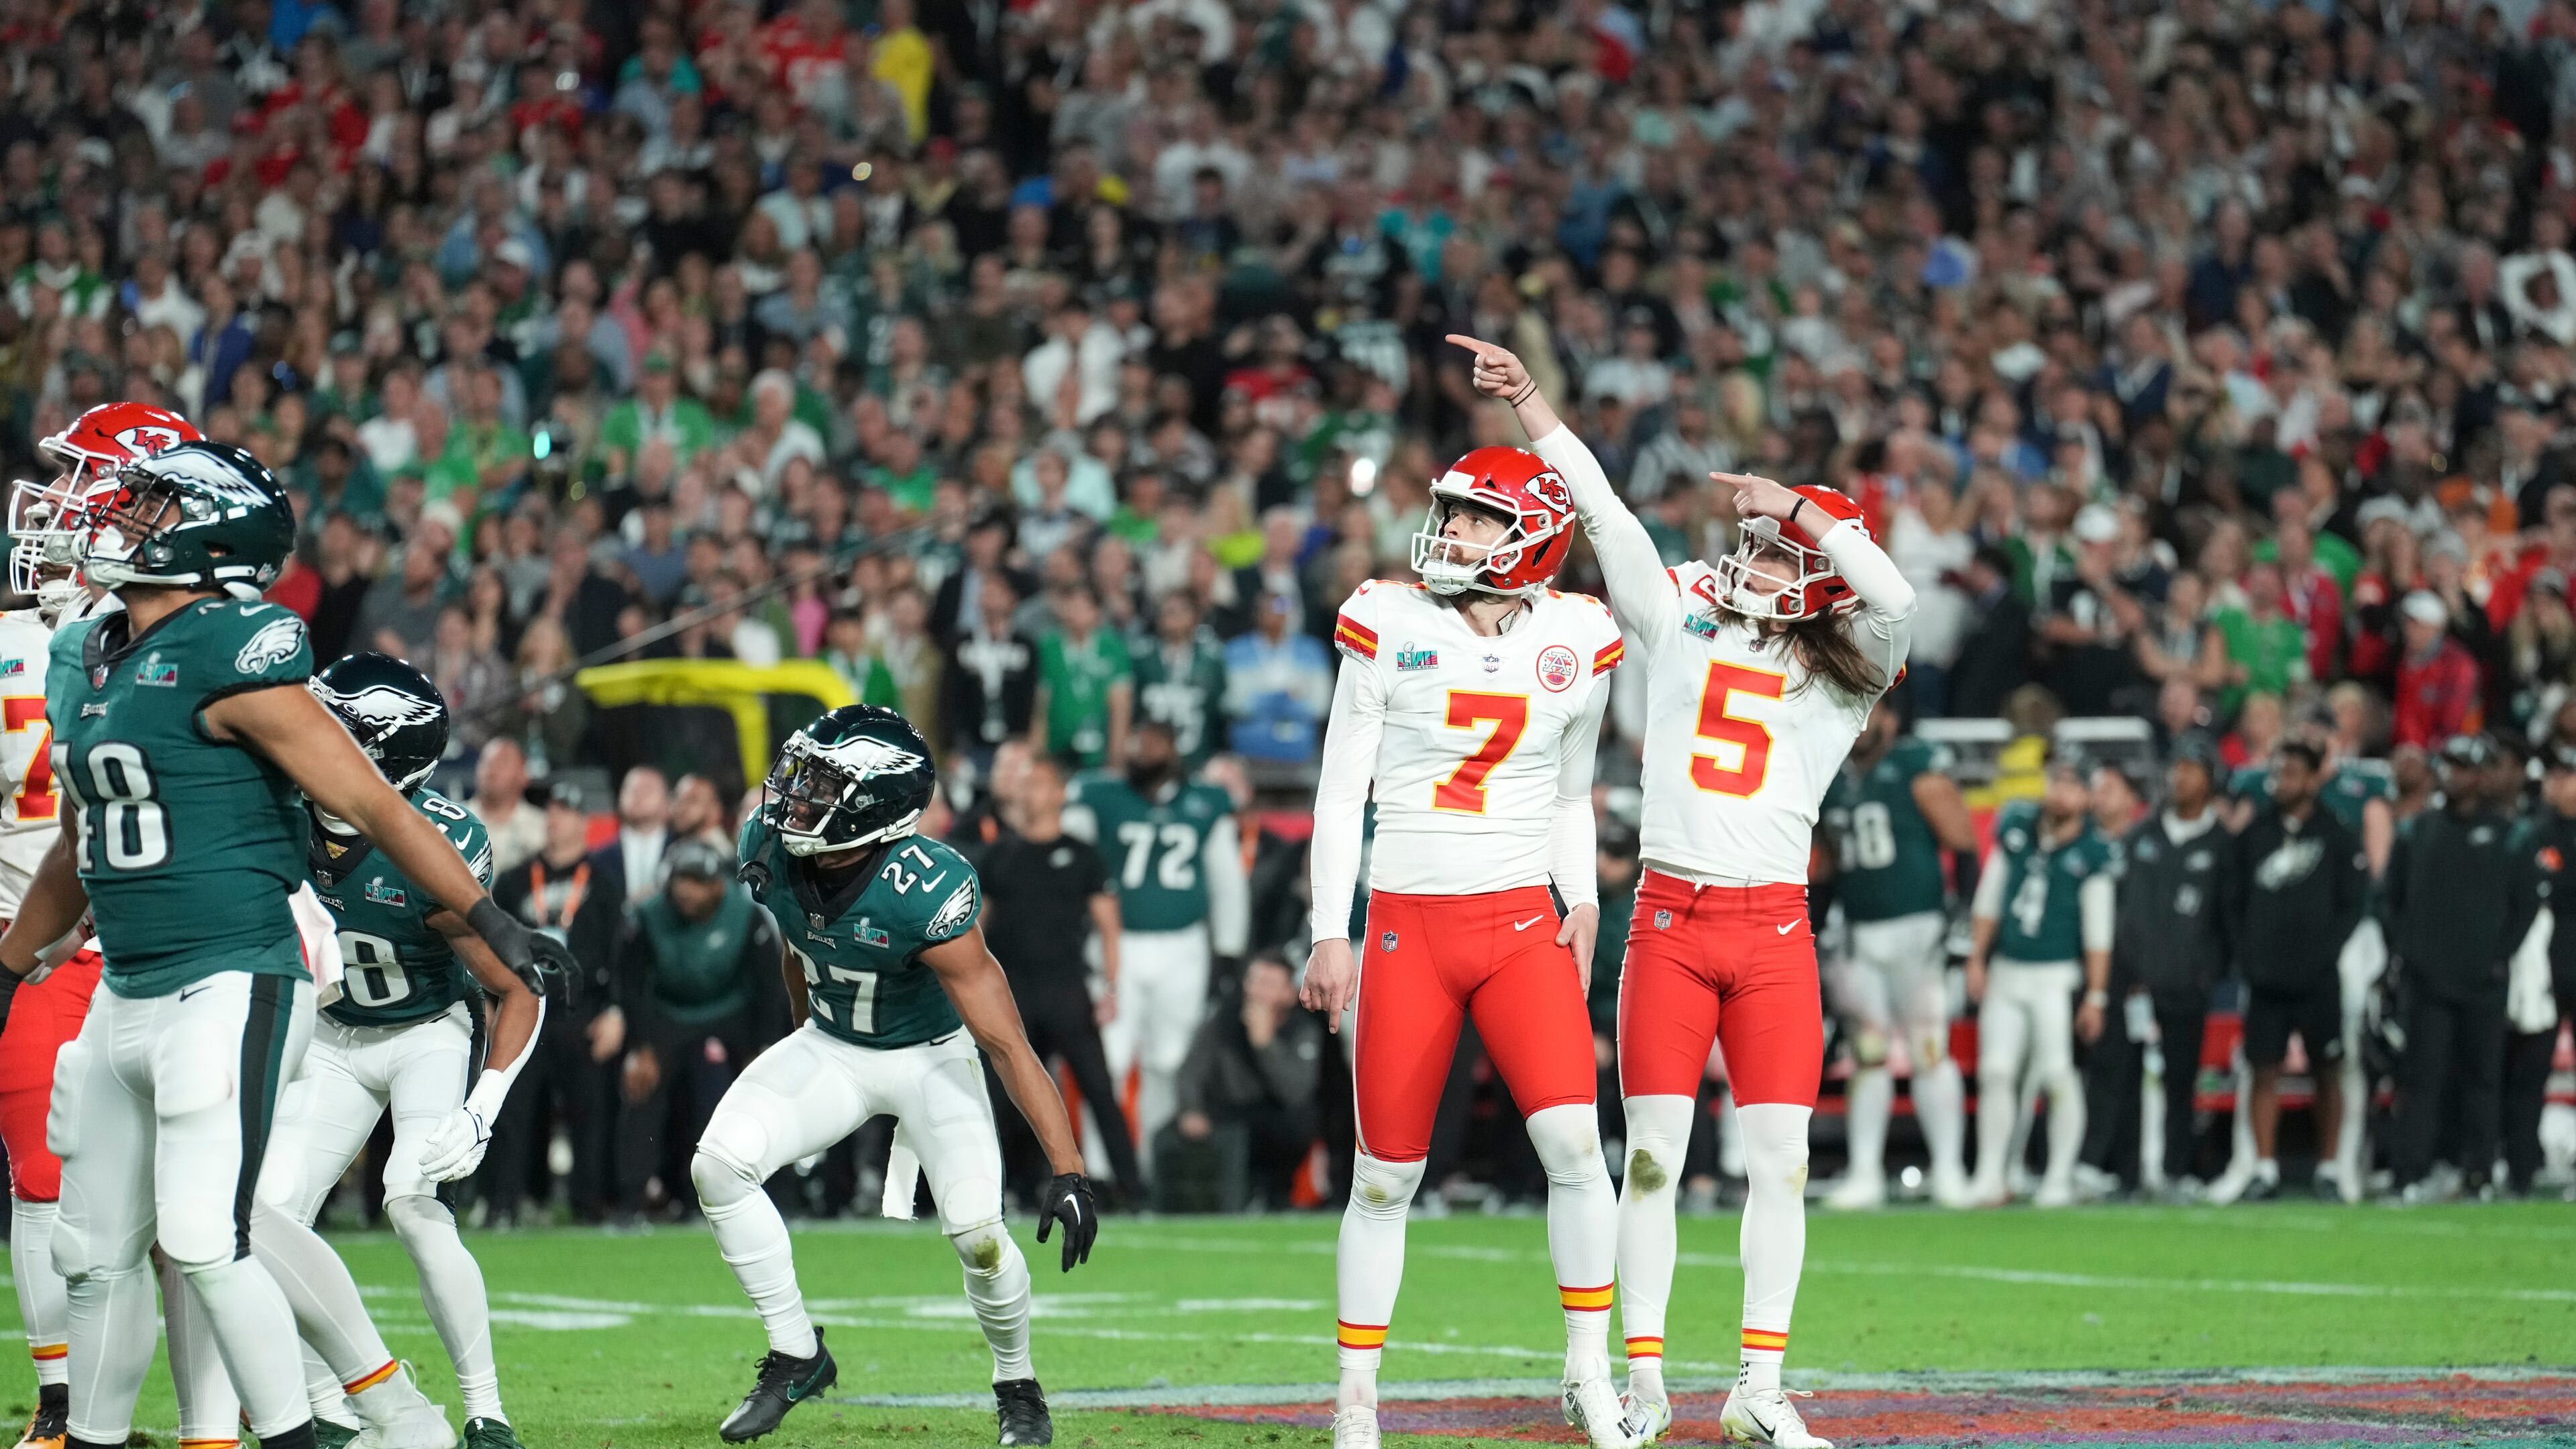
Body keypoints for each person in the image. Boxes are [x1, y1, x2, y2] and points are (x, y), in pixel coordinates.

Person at [0, 442, 570, 1449]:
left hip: (230, 980)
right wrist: (8, 964)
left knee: (209, 1239)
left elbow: (373, 804)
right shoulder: (82, 657)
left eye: (146, 508)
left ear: (206, 533)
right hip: (125, 987)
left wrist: (490, 920)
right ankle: (86, 1436)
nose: (114, 520)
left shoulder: (237, 646)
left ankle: (305, 1432)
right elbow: (79, 845)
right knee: (95, 1250)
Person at [1451, 335, 1912, 1449]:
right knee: (1653, 1155)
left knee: (1784, 1161)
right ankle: (1645, 1377)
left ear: (1819, 569)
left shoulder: (1846, 670)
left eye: (1778, 550)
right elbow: (1604, 513)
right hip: (1669, 916)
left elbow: (1893, 591)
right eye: (1753, 544)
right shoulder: (1681, 613)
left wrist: (1802, 508)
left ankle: (1760, 1384)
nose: (1752, 558)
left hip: (1773, 928)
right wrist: (1533, 408)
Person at [1297, 435, 1628, 1449]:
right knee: (1385, 1173)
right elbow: (1340, 791)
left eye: (1478, 517)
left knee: (1576, 1148)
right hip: (1408, 922)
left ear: (1531, 540)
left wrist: (1580, 894)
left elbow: (1572, 793)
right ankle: (1357, 1399)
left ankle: (1589, 1373)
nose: (1452, 531)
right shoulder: (1387, 619)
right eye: (1455, 512)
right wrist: (1328, 930)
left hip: (1521, 921)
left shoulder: (1576, 635)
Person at [690, 706, 1097, 1448]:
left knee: (978, 1235)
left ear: (874, 808)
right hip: (832, 1043)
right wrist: (798, 1034)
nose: (794, 795)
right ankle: (796, 1355)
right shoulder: (771, 844)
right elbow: (797, 940)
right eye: (801, 774)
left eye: (821, 783)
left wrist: (1069, 1170)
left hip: (929, 1057)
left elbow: (1005, 1043)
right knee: (718, 1167)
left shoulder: (924, 889)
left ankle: (1018, 1384)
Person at [260, 654, 541, 1449]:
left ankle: (486, 1410)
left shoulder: (435, 841)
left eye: (333, 724)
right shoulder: (279, 805)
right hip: (327, 1035)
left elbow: (520, 987)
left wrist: (482, 1110)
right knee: (275, 1215)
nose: (305, 733)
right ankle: (329, 1402)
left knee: (412, 1203)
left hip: (424, 1030)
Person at [0, 402, 199, 1449]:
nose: (52, 507)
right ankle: (74, 1407)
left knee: (207, 1210)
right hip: (56, 942)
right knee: (60, 1185)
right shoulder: (175, 634)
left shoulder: (195, 636)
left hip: (173, 945)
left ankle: (298, 1404)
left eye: (84, 483)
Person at [1063, 718, 1248, 1174]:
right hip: (1115, 947)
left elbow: (1227, 883)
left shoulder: (1206, 803)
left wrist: (1228, 949)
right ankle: (1104, 1173)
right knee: (1107, 1059)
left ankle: (1154, 1169)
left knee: (1169, 1061)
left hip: (1183, 945)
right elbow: (1069, 862)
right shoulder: (1100, 797)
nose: (1142, 751)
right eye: (1138, 742)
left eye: (1153, 743)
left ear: (1173, 750)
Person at [1817, 698, 1976, 1210]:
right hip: (1860, 933)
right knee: (1869, 1053)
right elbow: (1825, 868)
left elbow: (1964, 843)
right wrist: (1815, 930)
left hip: (1918, 928)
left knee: (1930, 1049)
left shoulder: (1914, 765)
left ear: (1892, 718)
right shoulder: (1831, 775)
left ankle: (1949, 1171)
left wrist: (1962, 921)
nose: (1863, 724)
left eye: (1874, 713)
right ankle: (1865, 1172)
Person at [977, 753, 1146, 1203]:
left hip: (1067, 989)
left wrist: (1110, 987)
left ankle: (1131, 1187)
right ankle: (1009, 1186)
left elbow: (1110, 927)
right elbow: (977, 928)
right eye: (1025, 783)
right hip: (1012, 995)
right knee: (1004, 1095)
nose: (1029, 791)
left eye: (1039, 782)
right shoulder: (1000, 855)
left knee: (1098, 1087)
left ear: (1059, 794)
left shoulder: (1083, 856)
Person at [2381, 734, 2536, 1201]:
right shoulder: (2418, 831)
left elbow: (2525, 905)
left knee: (2482, 1081)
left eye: (2466, 768)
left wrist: (2498, 956)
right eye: (2449, 767)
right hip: (2428, 978)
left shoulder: (2511, 835)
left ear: (2484, 776)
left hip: (2483, 981)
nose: (2456, 777)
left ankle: (2478, 1173)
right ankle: (2410, 1173)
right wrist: (2407, 951)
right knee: (2420, 1080)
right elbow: (2392, 899)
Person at [2086, 734, 2234, 1197]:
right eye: (2177, 767)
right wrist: (2127, 975)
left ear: (2211, 780)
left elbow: (2228, 919)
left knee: (2181, 1081)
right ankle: (2128, 1173)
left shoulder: (2223, 845)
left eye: (2192, 769)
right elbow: (2123, 913)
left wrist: (2207, 973)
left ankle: (2177, 1169)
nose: (2181, 776)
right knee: (2125, 1078)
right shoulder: (2142, 837)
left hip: (2188, 985)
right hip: (2136, 986)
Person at [1965, 757, 2116, 1208]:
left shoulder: (2093, 851)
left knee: (2056, 1073)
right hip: (2010, 969)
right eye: (2057, 781)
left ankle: (2058, 1177)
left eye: (2072, 785)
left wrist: (2096, 995)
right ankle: (1991, 1174)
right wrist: (1976, 957)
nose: (2060, 792)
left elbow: (2099, 932)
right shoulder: (2017, 827)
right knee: (1996, 1071)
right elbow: (1990, 898)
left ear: (2089, 797)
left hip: (2056, 975)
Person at [2226, 737, 2365, 1201]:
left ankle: (2330, 1168)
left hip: (2318, 975)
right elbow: (2232, 901)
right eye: (2276, 773)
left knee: (2328, 1068)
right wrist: (2247, 953)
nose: (2280, 782)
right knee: (2263, 1069)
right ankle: (2263, 1168)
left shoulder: (2338, 834)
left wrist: (2327, 951)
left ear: (2312, 779)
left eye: (2290, 773)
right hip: (2266, 975)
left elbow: (2353, 902)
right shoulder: (2255, 834)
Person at [614, 838, 783, 1218]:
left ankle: (773, 1197)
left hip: (731, 1011)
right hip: (667, 1014)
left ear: (717, 885)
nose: (686, 892)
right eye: (680, 881)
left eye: (697, 882)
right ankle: (630, 1201)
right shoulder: (647, 916)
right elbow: (630, 985)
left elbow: (769, 988)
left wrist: (760, 1049)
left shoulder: (746, 915)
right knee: (640, 1086)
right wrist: (641, 1047)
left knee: (762, 1092)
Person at [487, 782, 625, 1225]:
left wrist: (616, 1011)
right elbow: (490, 948)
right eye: (551, 811)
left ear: (584, 822)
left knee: (590, 1111)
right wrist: (489, 1004)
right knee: (511, 1110)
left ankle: (589, 1206)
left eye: (566, 811)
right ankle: (503, 1203)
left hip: (581, 1010)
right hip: (525, 1007)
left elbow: (621, 953)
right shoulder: (513, 881)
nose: (554, 818)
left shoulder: (604, 885)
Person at [1170, 953, 1324, 1210]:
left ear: (1289, 993)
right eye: (1256, 981)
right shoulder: (1223, 1020)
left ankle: (1277, 1194)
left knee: (1302, 1120)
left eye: (1270, 984)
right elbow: (1190, 1072)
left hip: (1276, 1117)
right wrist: (1191, 1109)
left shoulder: (1303, 1028)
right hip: (1228, 1113)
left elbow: (1296, 1093)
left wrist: (1265, 1045)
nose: (1259, 991)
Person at [1029, 581, 1131, 768]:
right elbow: (1041, 703)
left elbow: (1120, 705)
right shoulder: (1049, 647)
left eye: (1084, 608)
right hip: (1057, 747)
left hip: (1099, 746)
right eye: (1072, 606)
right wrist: (1037, 752)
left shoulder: (1113, 648)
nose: (1077, 613)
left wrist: (1117, 757)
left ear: (1097, 613)